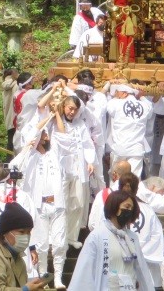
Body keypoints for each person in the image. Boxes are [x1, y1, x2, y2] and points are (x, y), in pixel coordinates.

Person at [10, 128, 67, 288]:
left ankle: (58, 278)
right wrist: (27, 148)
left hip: (58, 204)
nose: (47, 137)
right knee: (41, 244)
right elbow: (14, 166)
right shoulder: (29, 157)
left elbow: (63, 137)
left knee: (59, 243)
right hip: (38, 206)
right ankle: (43, 277)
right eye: (44, 134)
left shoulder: (54, 153)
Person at [68, 190, 155, 291]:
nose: (129, 210)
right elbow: (84, 271)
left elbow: (141, 270)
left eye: (132, 208)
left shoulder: (132, 237)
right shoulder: (97, 236)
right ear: (115, 206)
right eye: (127, 207)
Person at [50, 95, 96, 249]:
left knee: (77, 203)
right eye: (70, 108)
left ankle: (71, 236)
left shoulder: (80, 124)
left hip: (77, 168)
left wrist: (90, 161)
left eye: (75, 110)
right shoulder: (55, 122)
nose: (72, 112)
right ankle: (57, 235)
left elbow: (88, 144)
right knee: (61, 202)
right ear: (64, 107)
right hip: (61, 167)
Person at [2, 68, 19, 150]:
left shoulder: (8, 83)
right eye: (16, 72)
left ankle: (9, 161)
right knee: (13, 141)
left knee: (10, 140)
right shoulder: (14, 83)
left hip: (10, 117)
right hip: (14, 117)